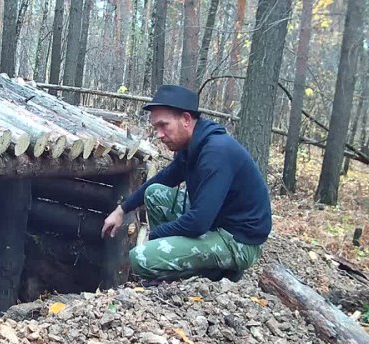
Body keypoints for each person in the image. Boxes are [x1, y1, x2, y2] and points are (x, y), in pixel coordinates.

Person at [101, 84, 272, 282]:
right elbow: (163, 179)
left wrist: (156, 236)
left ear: (186, 120)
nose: (159, 134)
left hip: (238, 241)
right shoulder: (192, 147)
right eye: (156, 127)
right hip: (216, 222)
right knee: (155, 193)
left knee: (140, 257)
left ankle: (212, 271)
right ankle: (188, 266)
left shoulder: (216, 152)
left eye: (164, 125)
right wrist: (122, 210)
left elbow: (199, 222)